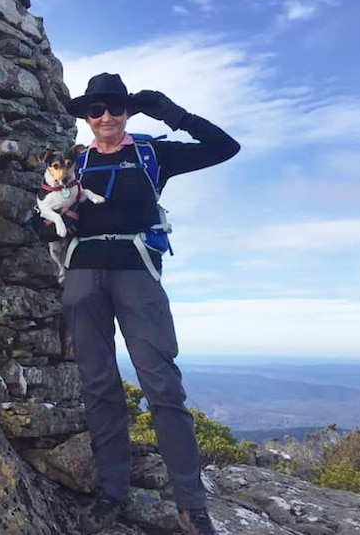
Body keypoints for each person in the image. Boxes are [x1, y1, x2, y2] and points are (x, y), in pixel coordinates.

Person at [55, 73, 240, 535]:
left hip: (138, 273)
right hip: (82, 275)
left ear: (128, 111)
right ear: (87, 116)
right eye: (96, 109)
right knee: (98, 386)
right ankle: (112, 493)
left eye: (116, 107)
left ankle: (191, 505)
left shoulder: (153, 152)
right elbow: (49, 213)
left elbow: (225, 147)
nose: (106, 117)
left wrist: (171, 113)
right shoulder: (75, 162)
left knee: (162, 386)